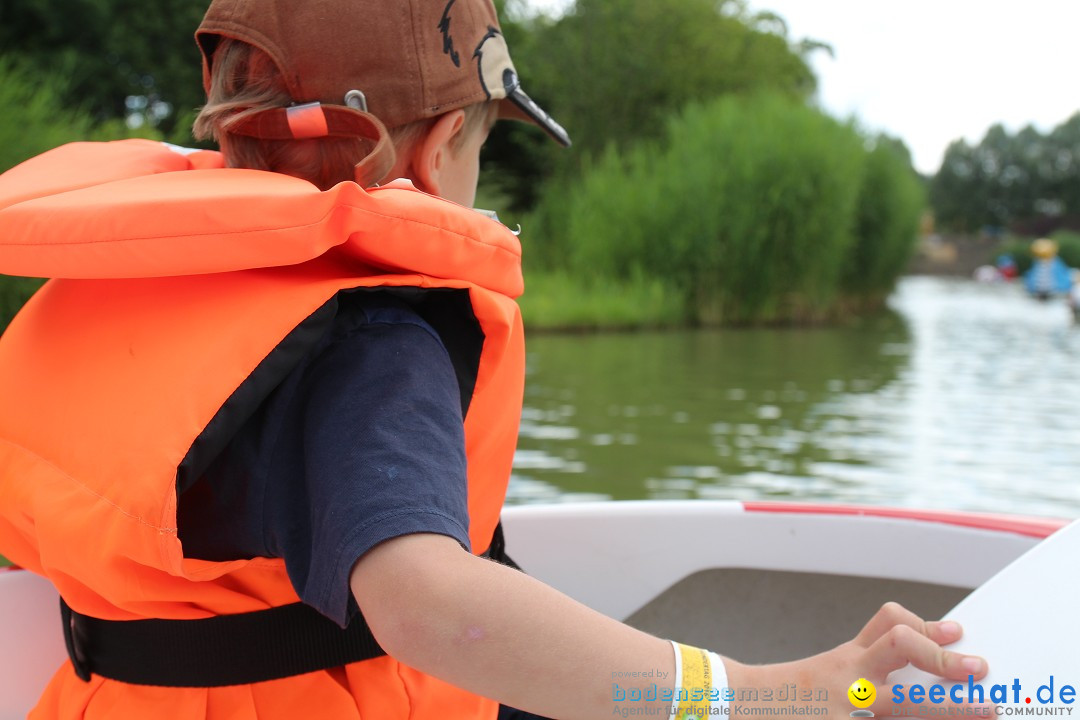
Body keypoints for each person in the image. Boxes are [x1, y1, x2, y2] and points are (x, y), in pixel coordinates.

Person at [0, 1, 991, 718]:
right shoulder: (373, 336)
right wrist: (767, 693)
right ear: (438, 152)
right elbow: (428, 606)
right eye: (483, 147)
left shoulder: (132, 298)